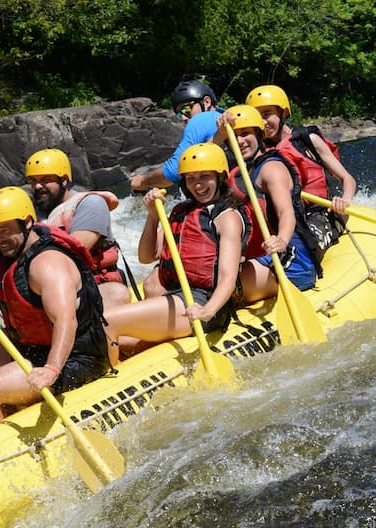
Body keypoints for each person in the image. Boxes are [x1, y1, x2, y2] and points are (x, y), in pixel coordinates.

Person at [0, 186, 111, 431]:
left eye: (5, 230)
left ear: (28, 222)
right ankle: (6, 416)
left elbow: (66, 321)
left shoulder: (47, 264)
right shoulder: (5, 258)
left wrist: (51, 370)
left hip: (74, 360)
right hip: (30, 350)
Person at [104, 144, 243, 364]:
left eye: (205, 176)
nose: (197, 185)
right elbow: (146, 257)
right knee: (113, 338)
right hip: (177, 296)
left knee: (108, 321)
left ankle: (112, 378)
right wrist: (152, 217)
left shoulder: (227, 217)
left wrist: (208, 310)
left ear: (220, 177)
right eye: (191, 178)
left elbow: (228, 278)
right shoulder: (182, 211)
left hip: (203, 303)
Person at [246, 84, 356, 271]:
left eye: (267, 114)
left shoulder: (307, 140)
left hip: (319, 215)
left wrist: (345, 199)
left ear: (283, 113)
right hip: (284, 219)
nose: (263, 122)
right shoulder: (257, 152)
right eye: (258, 116)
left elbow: (347, 178)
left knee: (304, 244)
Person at [216, 104, 317, 301]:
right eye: (233, 136)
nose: (240, 141)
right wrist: (219, 134)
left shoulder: (272, 169)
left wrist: (281, 240)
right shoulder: (238, 170)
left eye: (246, 133)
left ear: (259, 135)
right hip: (258, 258)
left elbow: (285, 213)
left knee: (222, 285)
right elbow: (205, 164)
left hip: (290, 262)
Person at [24, 148, 132, 308]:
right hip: (51, 290)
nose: (38, 186)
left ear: (65, 180)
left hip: (94, 287)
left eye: (46, 179)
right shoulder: (30, 215)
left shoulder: (91, 203)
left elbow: (74, 252)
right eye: (33, 181)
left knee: (116, 294)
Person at [129, 80, 224, 194]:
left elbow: (173, 171)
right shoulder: (223, 117)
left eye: (186, 109)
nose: (183, 118)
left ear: (207, 102)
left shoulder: (200, 120)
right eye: (179, 114)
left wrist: (143, 181)